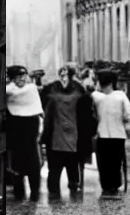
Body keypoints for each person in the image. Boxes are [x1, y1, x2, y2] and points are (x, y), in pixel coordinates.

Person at [41, 63, 97, 198]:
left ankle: (58, 193)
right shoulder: (81, 93)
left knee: (57, 170)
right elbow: (89, 117)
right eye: (62, 74)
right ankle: (71, 190)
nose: (63, 78)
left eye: (65, 74)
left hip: (65, 138)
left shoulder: (52, 91)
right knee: (68, 170)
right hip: (69, 139)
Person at [90, 69, 130, 197]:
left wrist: (128, 128)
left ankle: (111, 186)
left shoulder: (116, 96)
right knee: (109, 163)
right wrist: (128, 128)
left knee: (111, 163)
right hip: (109, 134)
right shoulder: (98, 96)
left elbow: (129, 114)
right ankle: (110, 186)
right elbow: (129, 114)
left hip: (112, 135)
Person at [6, 65, 43, 202]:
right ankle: (19, 193)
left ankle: (34, 193)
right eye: (18, 75)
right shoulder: (8, 91)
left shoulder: (31, 89)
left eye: (24, 75)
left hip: (30, 134)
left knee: (34, 166)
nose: (22, 78)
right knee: (17, 167)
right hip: (16, 136)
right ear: (12, 78)